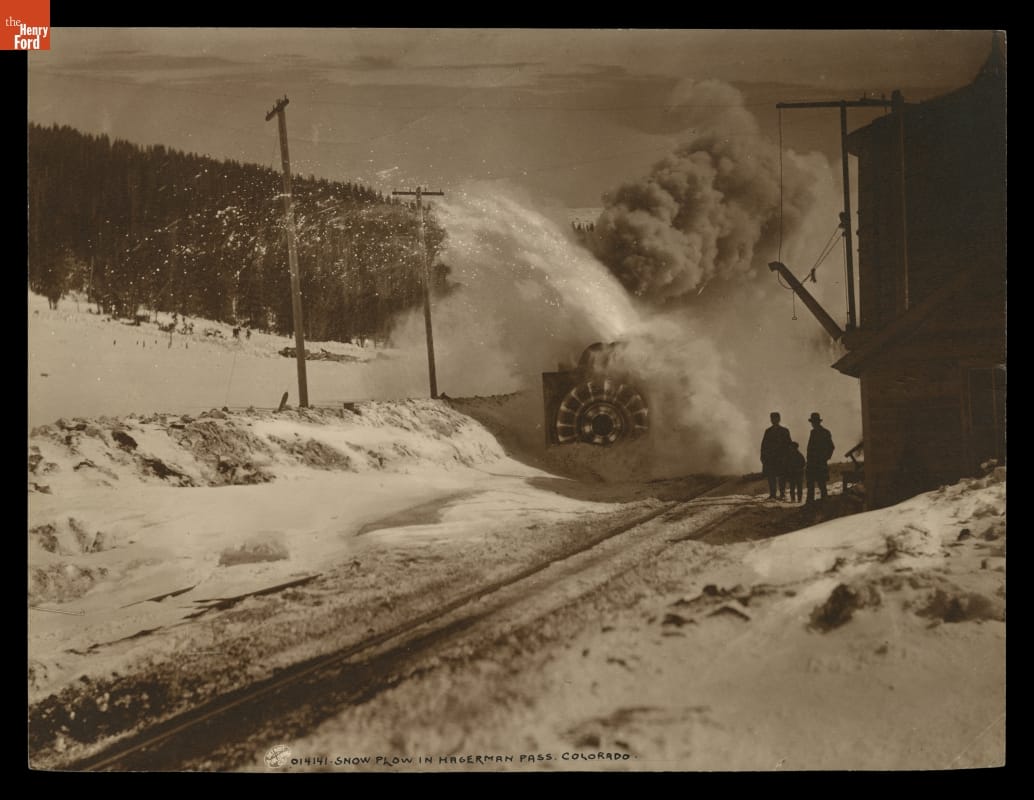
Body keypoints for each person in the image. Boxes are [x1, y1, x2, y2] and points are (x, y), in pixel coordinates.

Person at [760, 412, 792, 500]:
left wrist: (788, 457)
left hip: (781, 458)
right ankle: (773, 494)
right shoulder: (768, 431)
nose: (774, 420)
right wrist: (763, 456)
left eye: (775, 418)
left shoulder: (785, 431)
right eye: (772, 418)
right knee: (771, 476)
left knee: (782, 476)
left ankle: (782, 493)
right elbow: (764, 445)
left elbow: (789, 445)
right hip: (771, 458)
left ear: (779, 419)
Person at [806, 412, 835, 503]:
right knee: (810, 483)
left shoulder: (825, 432)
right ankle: (810, 502)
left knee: (821, 483)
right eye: (812, 422)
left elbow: (831, 447)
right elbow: (810, 448)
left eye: (814, 422)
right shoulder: (813, 432)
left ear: (818, 422)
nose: (813, 424)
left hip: (820, 463)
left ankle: (824, 502)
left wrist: (825, 458)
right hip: (812, 463)